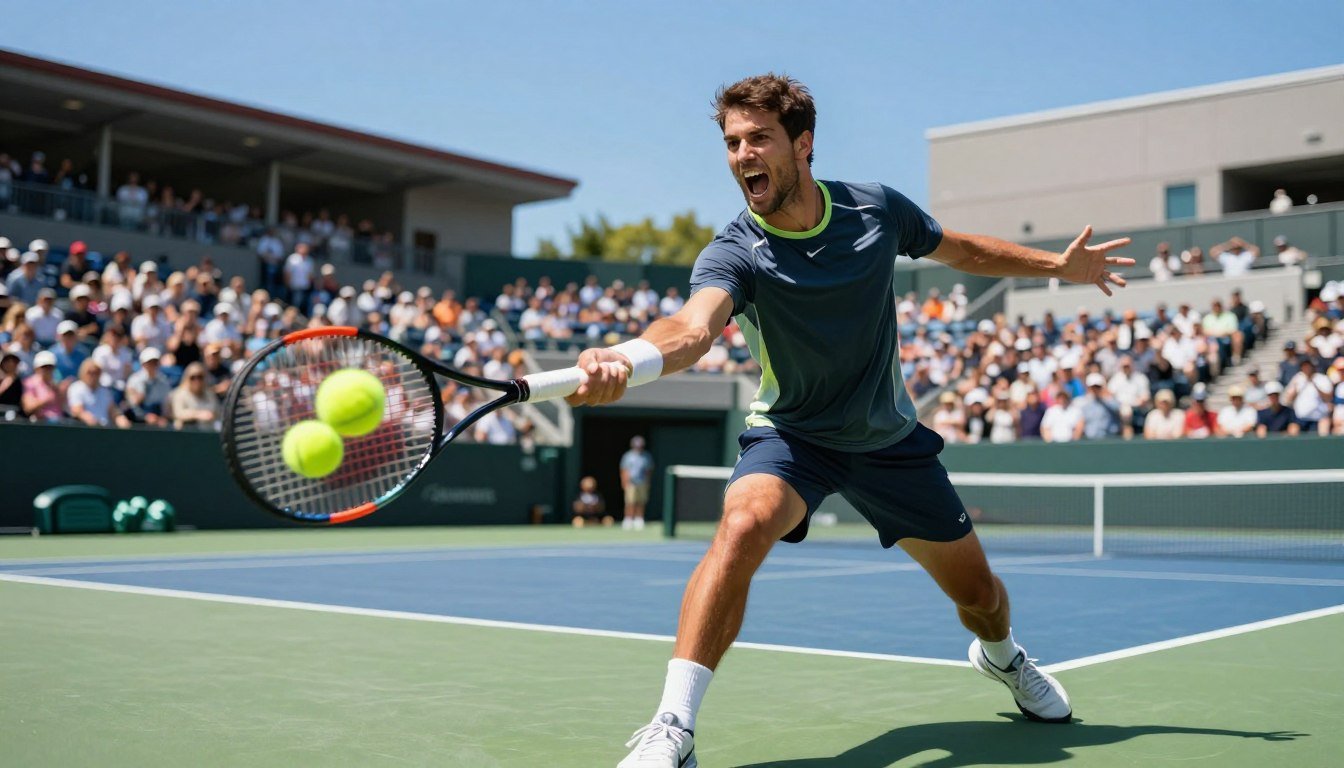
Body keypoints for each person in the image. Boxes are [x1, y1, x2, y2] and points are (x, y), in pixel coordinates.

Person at [567, 75, 1134, 766]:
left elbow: (962, 250)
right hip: (794, 438)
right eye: (732, 143)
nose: (742, 154)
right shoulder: (737, 250)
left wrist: (1057, 266)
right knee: (743, 522)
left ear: (802, 144)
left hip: (890, 443)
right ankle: (673, 727)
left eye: (758, 139)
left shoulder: (874, 210)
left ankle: (1004, 659)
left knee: (981, 599)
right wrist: (629, 358)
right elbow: (692, 327)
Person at [619, 435, 655, 530]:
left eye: (640, 445)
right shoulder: (628, 456)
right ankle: (628, 519)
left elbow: (648, 471)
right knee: (630, 502)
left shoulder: (646, 456)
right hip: (631, 483)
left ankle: (639, 519)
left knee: (641, 502)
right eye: (636, 445)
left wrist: (647, 482)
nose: (638, 447)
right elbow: (624, 470)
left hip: (642, 482)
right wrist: (624, 482)